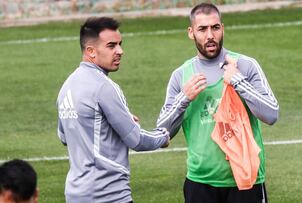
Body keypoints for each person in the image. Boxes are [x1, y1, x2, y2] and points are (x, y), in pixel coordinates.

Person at [157, 3, 279, 203]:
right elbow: (162, 133)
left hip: (246, 180)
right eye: (202, 29)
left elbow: (272, 114)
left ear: (222, 28)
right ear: (191, 32)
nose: (210, 36)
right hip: (200, 182)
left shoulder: (245, 65)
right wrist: (184, 97)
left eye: (214, 28)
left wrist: (239, 81)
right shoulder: (181, 76)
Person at [56, 17, 169, 203]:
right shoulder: (104, 87)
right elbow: (137, 140)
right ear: (91, 51)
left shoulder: (66, 87)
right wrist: (163, 136)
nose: (120, 51)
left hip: (75, 195)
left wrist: (109, 124)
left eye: (120, 44)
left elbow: (64, 136)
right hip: (109, 195)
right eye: (111, 46)